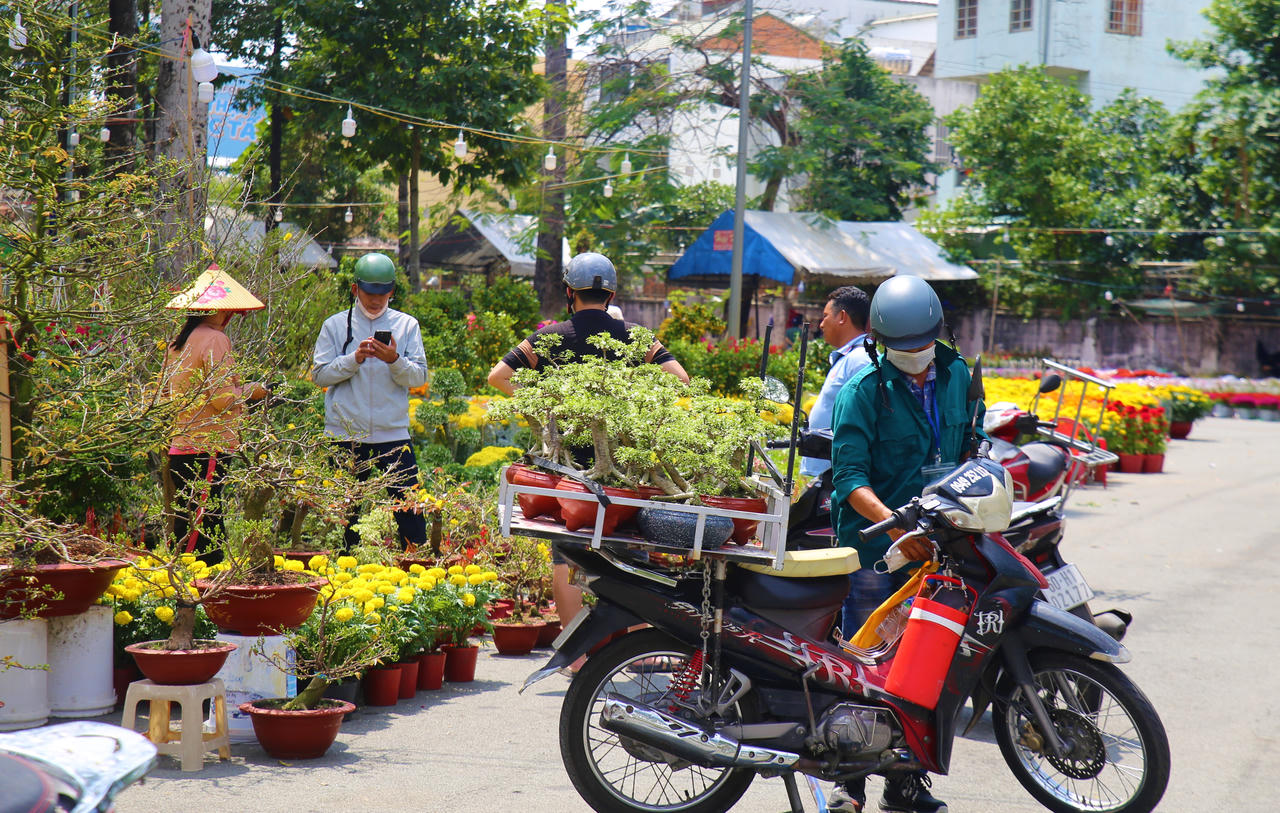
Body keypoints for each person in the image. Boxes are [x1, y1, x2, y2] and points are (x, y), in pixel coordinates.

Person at [826, 275, 984, 813]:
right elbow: (849, 479)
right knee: (866, 668)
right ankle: (848, 782)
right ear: (880, 341)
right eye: (903, 348)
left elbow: (969, 448)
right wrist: (896, 526)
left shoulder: (958, 375)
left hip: (940, 547)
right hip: (876, 549)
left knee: (924, 672)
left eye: (923, 344)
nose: (916, 355)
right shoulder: (863, 390)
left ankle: (906, 783)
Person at [487, 252, 688, 628]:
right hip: (627, 467)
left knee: (567, 553)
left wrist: (544, 403)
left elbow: (497, 376)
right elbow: (680, 379)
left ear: (569, 292)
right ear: (610, 295)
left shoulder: (549, 337)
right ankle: (629, 646)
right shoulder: (634, 338)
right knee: (627, 551)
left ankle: (577, 659)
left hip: (568, 469)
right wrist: (635, 397)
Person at [312, 253, 429, 551]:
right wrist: (355, 358)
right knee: (342, 518)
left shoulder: (407, 325)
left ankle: (418, 572)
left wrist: (394, 360)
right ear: (355, 289)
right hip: (345, 435)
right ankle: (340, 573)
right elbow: (321, 376)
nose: (376, 300)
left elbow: (418, 378)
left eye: (383, 292)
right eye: (369, 292)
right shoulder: (335, 325)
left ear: (392, 291)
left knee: (410, 512)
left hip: (393, 433)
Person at [162, 265, 268, 565]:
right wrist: (252, 391)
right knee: (204, 532)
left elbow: (165, 395)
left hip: (181, 443)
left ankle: (185, 595)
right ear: (222, 310)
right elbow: (222, 399)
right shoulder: (215, 340)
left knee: (190, 524)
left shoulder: (176, 343)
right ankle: (196, 598)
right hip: (207, 446)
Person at [799, 286, 872, 478]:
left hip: (836, 476)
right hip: (826, 472)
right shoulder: (849, 358)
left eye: (825, 316)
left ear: (842, 317)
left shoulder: (860, 360)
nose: (821, 324)